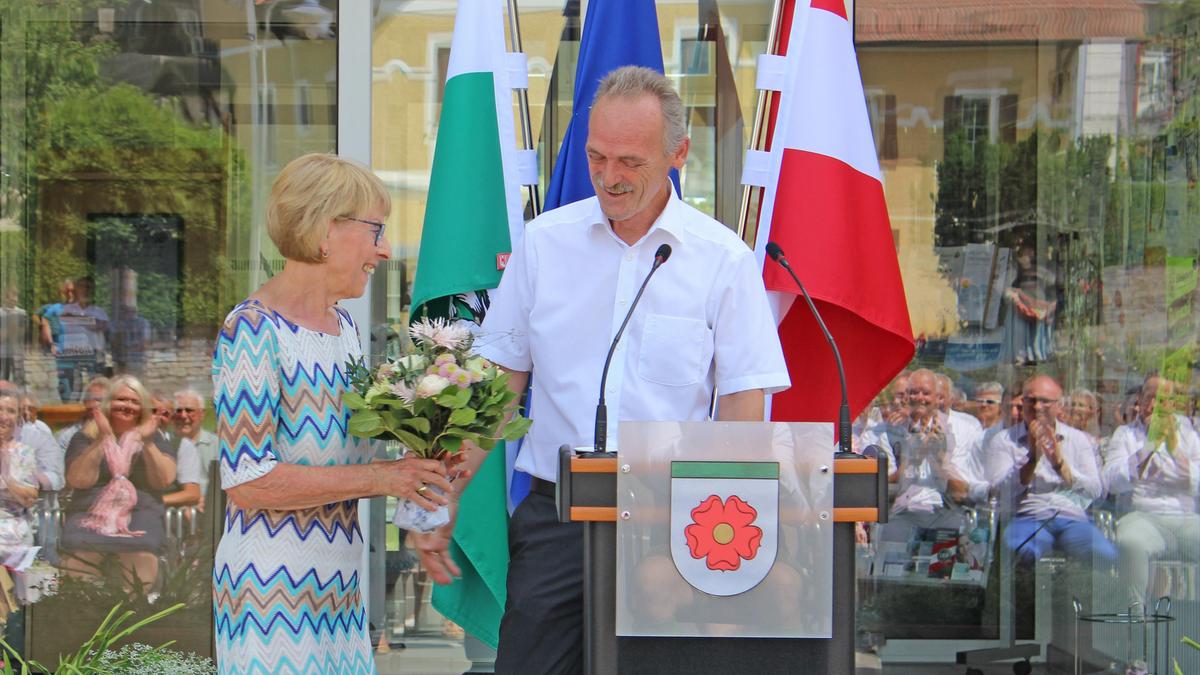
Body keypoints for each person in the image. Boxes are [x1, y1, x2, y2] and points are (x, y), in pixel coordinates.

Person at [414, 67, 789, 674]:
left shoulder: (723, 261)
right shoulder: (544, 244)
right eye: (596, 156)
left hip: (673, 525)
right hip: (557, 519)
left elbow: (745, 411)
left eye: (630, 162)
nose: (610, 177)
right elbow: (498, 388)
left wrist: (730, 533)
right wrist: (442, 498)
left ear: (678, 154)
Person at [211, 153, 453, 675]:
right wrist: (386, 477)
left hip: (338, 589)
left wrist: (419, 483)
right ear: (325, 230)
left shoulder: (342, 327)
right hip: (270, 594)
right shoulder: (252, 331)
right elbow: (249, 481)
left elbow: (349, 462)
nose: (384, 250)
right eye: (375, 231)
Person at [59, 375, 177, 591]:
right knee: (80, 547)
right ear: (108, 403)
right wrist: (103, 439)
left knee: (140, 548)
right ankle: (80, 610)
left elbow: (164, 480)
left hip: (140, 511)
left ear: (143, 407)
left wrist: (147, 442)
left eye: (134, 401)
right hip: (90, 511)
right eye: (121, 399)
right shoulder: (84, 436)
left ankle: (135, 609)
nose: (127, 406)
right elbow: (78, 480)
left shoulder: (156, 438)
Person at [981, 374, 1115, 565]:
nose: (1037, 407)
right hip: (1028, 517)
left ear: (1059, 406)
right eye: (1031, 400)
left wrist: (1061, 465)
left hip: (1071, 517)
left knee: (1104, 555)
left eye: (1045, 401)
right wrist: (1032, 460)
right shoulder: (1003, 440)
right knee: (1021, 552)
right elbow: (998, 493)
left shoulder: (1078, 439)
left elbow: (1095, 491)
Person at [1103, 374, 1200, 607]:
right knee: (1131, 542)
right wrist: (1149, 448)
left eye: (1162, 399)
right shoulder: (1125, 434)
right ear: (1139, 399)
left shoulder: (1189, 433)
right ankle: (1137, 619)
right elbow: (1111, 482)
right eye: (1149, 398)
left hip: (1185, 517)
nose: (1154, 406)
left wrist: (1178, 459)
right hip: (1142, 516)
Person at [56, 278, 108, 403]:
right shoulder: (67, 310)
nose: (85, 290)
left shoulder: (99, 311)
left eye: (88, 288)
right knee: (72, 390)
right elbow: (65, 322)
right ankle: (70, 414)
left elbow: (101, 325)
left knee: (97, 387)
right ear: (76, 291)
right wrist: (89, 321)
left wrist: (77, 319)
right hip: (73, 353)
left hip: (94, 353)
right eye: (82, 287)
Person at [165, 388, 217, 508]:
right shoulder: (163, 444)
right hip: (173, 514)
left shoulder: (218, 446)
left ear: (202, 414)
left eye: (189, 410)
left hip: (211, 512)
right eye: (178, 411)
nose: (183, 416)